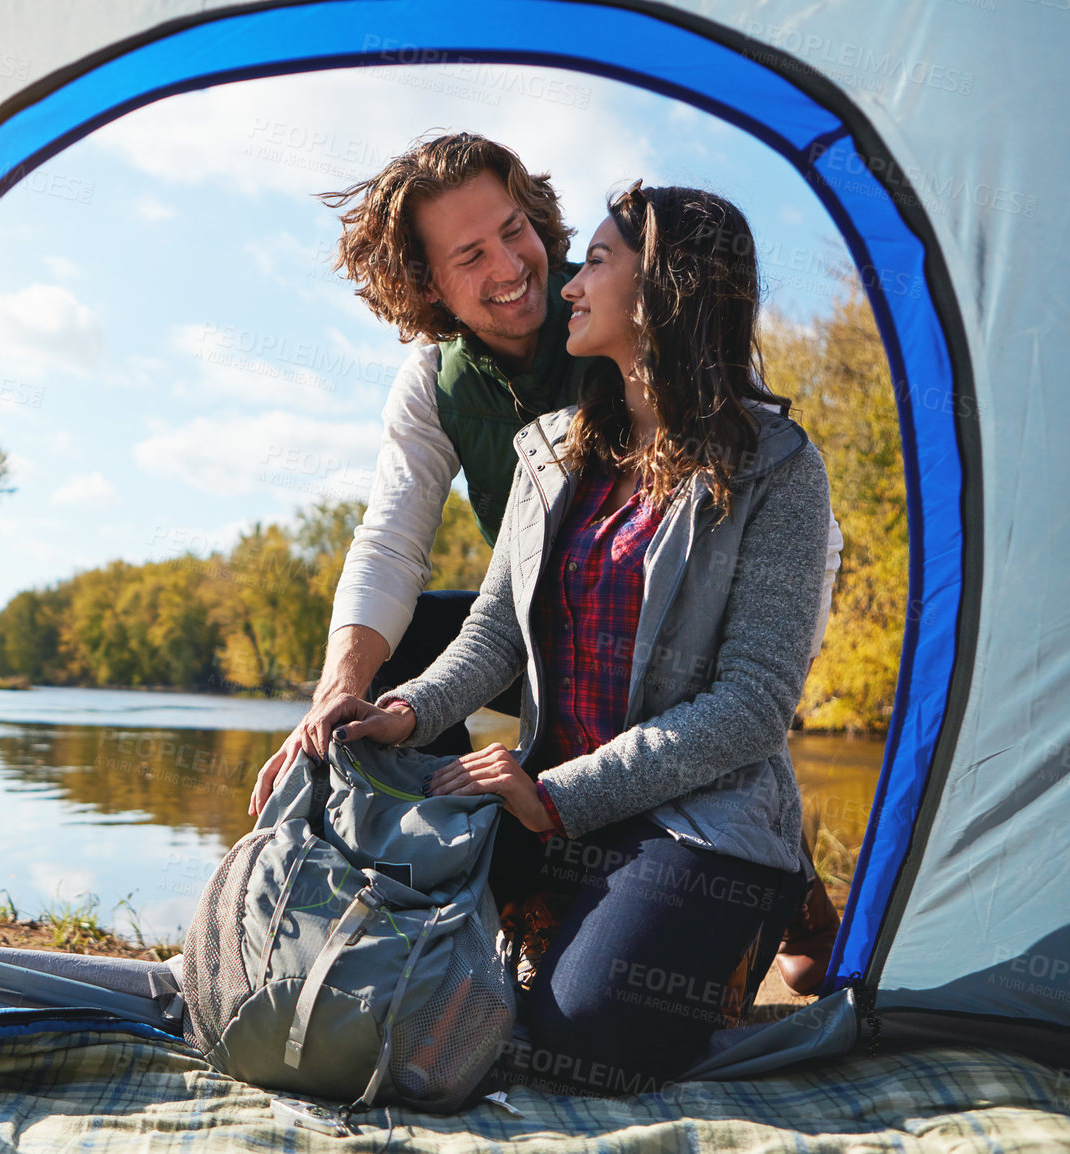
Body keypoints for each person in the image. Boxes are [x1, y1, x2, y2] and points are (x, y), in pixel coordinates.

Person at [246, 133, 843, 994]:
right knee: (397, 665)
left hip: (686, 647)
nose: (518, 266)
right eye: (470, 254)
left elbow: (771, 595)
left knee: (713, 730)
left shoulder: (644, 309)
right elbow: (394, 545)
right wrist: (346, 695)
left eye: (516, 229)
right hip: (555, 629)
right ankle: (464, 858)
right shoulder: (445, 388)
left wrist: (766, 676)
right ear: (429, 284)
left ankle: (778, 891)